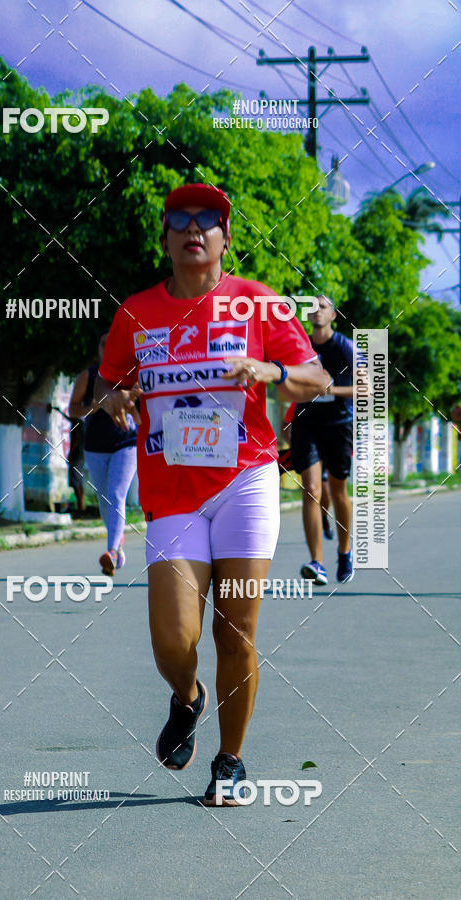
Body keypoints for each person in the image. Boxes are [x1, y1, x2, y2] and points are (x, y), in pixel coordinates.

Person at [94, 183, 330, 805]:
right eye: (180, 219)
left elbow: (317, 377)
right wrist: (115, 398)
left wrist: (270, 370)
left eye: (208, 219)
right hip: (172, 491)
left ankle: (230, 760)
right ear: (165, 237)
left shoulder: (257, 303)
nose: (194, 228)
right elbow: (106, 384)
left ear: (226, 238)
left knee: (236, 629)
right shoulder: (136, 312)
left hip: (245, 481)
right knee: (173, 639)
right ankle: (187, 696)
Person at [290, 295, 355, 585]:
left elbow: (366, 388)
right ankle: (317, 563)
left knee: (338, 492)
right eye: (312, 307)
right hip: (306, 423)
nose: (316, 311)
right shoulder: (299, 345)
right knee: (312, 489)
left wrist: (330, 390)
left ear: (333, 315)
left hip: (339, 424)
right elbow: (287, 381)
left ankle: (344, 551)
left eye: (323, 307)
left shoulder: (345, 346)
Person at [68, 333, 138, 576]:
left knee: (116, 494)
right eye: (102, 344)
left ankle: (112, 552)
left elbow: (144, 406)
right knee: (104, 500)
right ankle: (117, 544)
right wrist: (92, 408)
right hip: (95, 446)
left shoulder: (132, 373)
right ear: (98, 349)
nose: (107, 348)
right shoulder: (88, 377)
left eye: (112, 344)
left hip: (126, 442)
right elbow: (73, 409)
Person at [280, 402, 333, 539]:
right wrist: (296, 446)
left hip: (326, 453)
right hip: (307, 453)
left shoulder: (333, 402)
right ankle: (314, 543)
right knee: (312, 490)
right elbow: (284, 427)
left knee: (326, 491)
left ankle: (324, 517)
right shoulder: (299, 402)